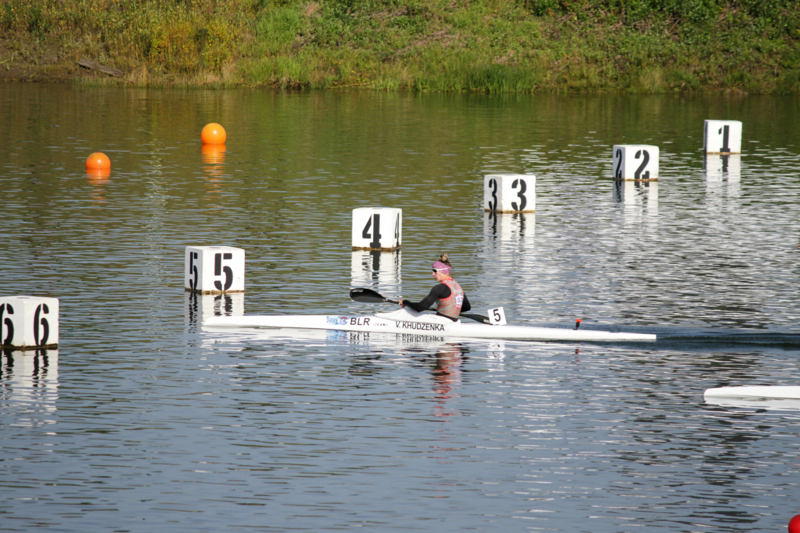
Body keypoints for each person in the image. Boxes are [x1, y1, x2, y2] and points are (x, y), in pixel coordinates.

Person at [398, 254, 471, 321]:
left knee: (405, 312)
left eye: (435, 271)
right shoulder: (458, 287)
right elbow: (467, 307)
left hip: (441, 322)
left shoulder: (440, 288)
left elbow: (420, 307)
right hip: (453, 321)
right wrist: (449, 310)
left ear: (443, 271)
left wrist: (405, 302)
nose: (432, 274)